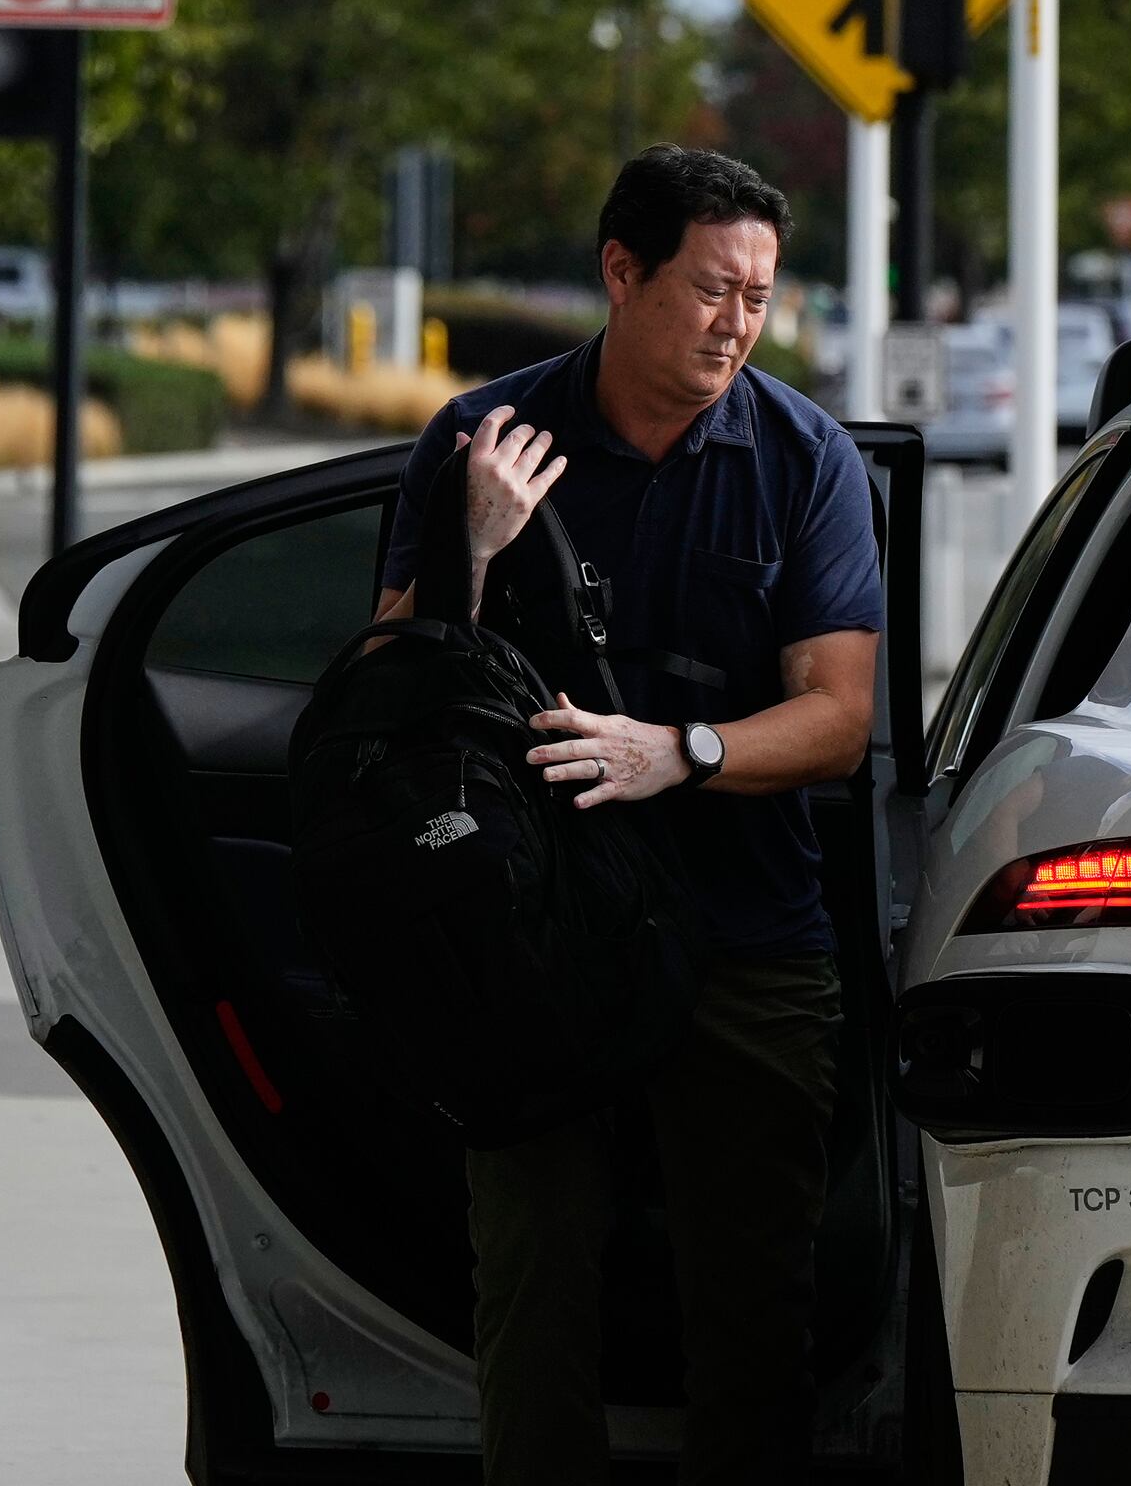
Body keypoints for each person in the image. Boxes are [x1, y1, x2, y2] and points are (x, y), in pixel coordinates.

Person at [371, 146, 883, 1484]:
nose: (738, 323)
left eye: (759, 296)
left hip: (746, 934)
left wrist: (679, 753)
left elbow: (839, 718)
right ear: (622, 271)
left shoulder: (803, 460)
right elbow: (388, 686)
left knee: (756, 1310)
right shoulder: (485, 438)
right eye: (712, 289)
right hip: (533, 940)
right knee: (533, 1292)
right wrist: (472, 545)